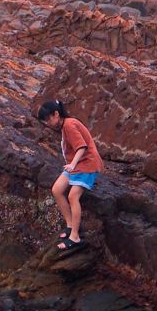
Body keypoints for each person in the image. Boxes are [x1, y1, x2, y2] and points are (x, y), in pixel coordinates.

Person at [37, 100, 102, 251]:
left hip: (87, 164)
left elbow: (82, 147)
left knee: (73, 196)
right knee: (57, 189)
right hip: (77, 164)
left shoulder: (69, 125)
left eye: (48, 119)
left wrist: (72, 165)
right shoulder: (64, 125)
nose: (47, 123)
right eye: (44, 121)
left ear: (56, 114)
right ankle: (70, 224)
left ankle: (75, 236)